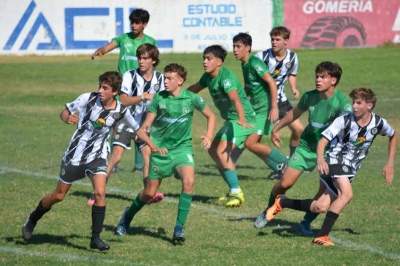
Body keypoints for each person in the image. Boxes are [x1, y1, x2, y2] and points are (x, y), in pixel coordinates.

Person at [21, 71, 166, 251]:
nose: (100, 90)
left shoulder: (121, 110)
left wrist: (152, 146)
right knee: (59, 195)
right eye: (100, 86)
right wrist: (67, 118)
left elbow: (137, 129)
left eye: (105, 88)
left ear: (114, 91)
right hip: (75, 156)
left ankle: (95, 238)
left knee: (100, 193)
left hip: (97, 157)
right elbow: (65, 111)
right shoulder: (86, 99)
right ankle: (33, 218)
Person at [265, 88, 397, 246]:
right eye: (353, 102)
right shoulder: (344, 121)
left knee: (319, 206)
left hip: (350, 168)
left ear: (369, 105)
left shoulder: (378, 123)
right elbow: (322, 141)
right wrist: (321, 159)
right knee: (347, 194)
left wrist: (389, 164)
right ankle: (322, 236)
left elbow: (393, 135)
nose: (354, 106)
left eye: (358, 103)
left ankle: (283, 202)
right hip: (335, 161)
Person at [115, 63, 216, 245]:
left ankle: (179, 228)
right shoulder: (158, 99)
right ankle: (127, 215)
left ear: (180, 81)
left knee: (189, 181)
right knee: (149, 193)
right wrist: (148, 137)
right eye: (165, 78)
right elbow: (145, 125)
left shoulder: (192, 98)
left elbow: (211, 116)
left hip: (182, 149)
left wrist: (209, 135)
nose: (165, 81)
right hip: (160, 151)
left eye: (169, 78)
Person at [254, 61, 353, 235]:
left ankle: (305, 223)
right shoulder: (309, 96)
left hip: (330, 152)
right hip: (307, 146)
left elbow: (350, 126)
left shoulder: (342, 103)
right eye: (317, 76)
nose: (318, 80)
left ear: (334, 80)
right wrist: (276, 128)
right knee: (285, 183)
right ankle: (269, 209)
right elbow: (294, 113)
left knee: (323, 193)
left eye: (323, 77)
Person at [86, 43, 165, 206]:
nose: (141, 61)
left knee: (147, 156)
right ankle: (97, 192)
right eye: (139, 58)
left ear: (154, 61)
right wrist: (144, 97)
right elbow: (123, 100)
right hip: (127, 121)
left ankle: (147, 194)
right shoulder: (130, 76)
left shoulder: (160, 79)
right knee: (116, 157)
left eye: (145, 58)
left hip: (145, 125)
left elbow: (162, 102)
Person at [188, 45, 256, 207]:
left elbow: (235, 99)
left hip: (243, 120)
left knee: (220, 151)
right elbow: (194, 89)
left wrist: (241, 119)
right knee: (213, 150)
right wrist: (179, 96)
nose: (205, 62)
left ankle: (236, 191)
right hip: (232, 120)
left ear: (219, 62)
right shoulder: (207, 77)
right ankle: (233, 189)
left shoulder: (226, 77)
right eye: (204, 58)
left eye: (209, 59)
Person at [92, 8, 156, 174]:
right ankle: (113, 162)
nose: (134, 25)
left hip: (141, 87)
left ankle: (139, 165)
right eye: (132, 22)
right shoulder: (123, 38)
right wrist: (102, 50)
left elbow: (152, 63)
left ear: (144, 24)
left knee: (140, 123)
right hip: (121, 87)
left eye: (137, 22)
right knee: (117, 122)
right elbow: (110, 46)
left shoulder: (150, 41)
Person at [232, 32, 288, 178]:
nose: (235, 50)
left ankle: (285, 162)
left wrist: (274, 107)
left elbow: (271, 82)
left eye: (238, 46)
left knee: (250, 143)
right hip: (254, 110)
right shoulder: (244, 64)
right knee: (251, 143)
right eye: (234, 47)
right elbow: (249, 86)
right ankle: (278, 167)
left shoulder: (255, 63)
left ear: (248, 48)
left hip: (264, 110)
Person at [255, 26, 304, 179]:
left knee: (298, 129)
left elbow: (292, 74)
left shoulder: (293, 57)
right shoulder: (261, 57)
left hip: (281, 101)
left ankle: (294, 164)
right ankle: (278, 166)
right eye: (273, 39)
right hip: (263, 103)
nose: (274, 42)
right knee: (254, 141)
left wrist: (294, 88)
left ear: (286, 41)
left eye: (278, 40)